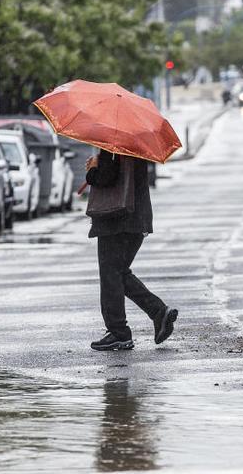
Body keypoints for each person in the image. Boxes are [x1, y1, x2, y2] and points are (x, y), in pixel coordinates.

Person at [85, 150, 178, 351]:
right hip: (137, 218)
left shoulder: (113, 145)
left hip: (117, 220)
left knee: (111, 275)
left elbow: (106, 177)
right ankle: (158, 312)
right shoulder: (136, 146)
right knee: (118, 273)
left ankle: (119, 333)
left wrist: (93, 169)